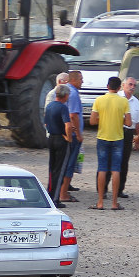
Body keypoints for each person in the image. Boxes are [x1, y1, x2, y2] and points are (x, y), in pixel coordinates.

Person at [89, 75, 131, 210]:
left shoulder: (99, 100)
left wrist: (103, 118)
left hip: (102, 136)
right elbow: (129, 122)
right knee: (116, 169)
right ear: (119, 88)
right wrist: (120, 119)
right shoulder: (123, 101)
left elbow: (92, 121)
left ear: (107, 86)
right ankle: (114, 202)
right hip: (118, 138)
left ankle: (100, 201)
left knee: (102, 168)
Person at [44, 85, 73, 206]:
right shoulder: (63, 107)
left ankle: (49, 194)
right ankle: (55, 198)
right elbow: (68, 124)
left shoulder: (50, 106)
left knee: (52, 168)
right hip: (61, 139)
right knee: (60, 169)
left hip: (51, 137)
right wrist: (69, 137)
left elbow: (46, 123)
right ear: (65, 95)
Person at [58, 71, 85, 203]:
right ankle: (63, 193)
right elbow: (73, 115)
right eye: (81, 79)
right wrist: (79, 135)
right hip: (73, 135)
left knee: (65, 162)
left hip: (65, 133)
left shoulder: (67, 91)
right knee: (70, 163)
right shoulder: (73, 94)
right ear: (73, 80)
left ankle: (61, 190)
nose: (82, 82)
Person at [116, 76, 139, 198]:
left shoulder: (136, 102)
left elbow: (138, 122)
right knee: (112, 159)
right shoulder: (116, 97)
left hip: (129, 132)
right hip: (116, 130)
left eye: (134, 85)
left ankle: (120, 189)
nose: (132, 87)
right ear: (123, 85)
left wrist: (137, 139)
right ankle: (103, 189)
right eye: (130, 84)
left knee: (124, 161)